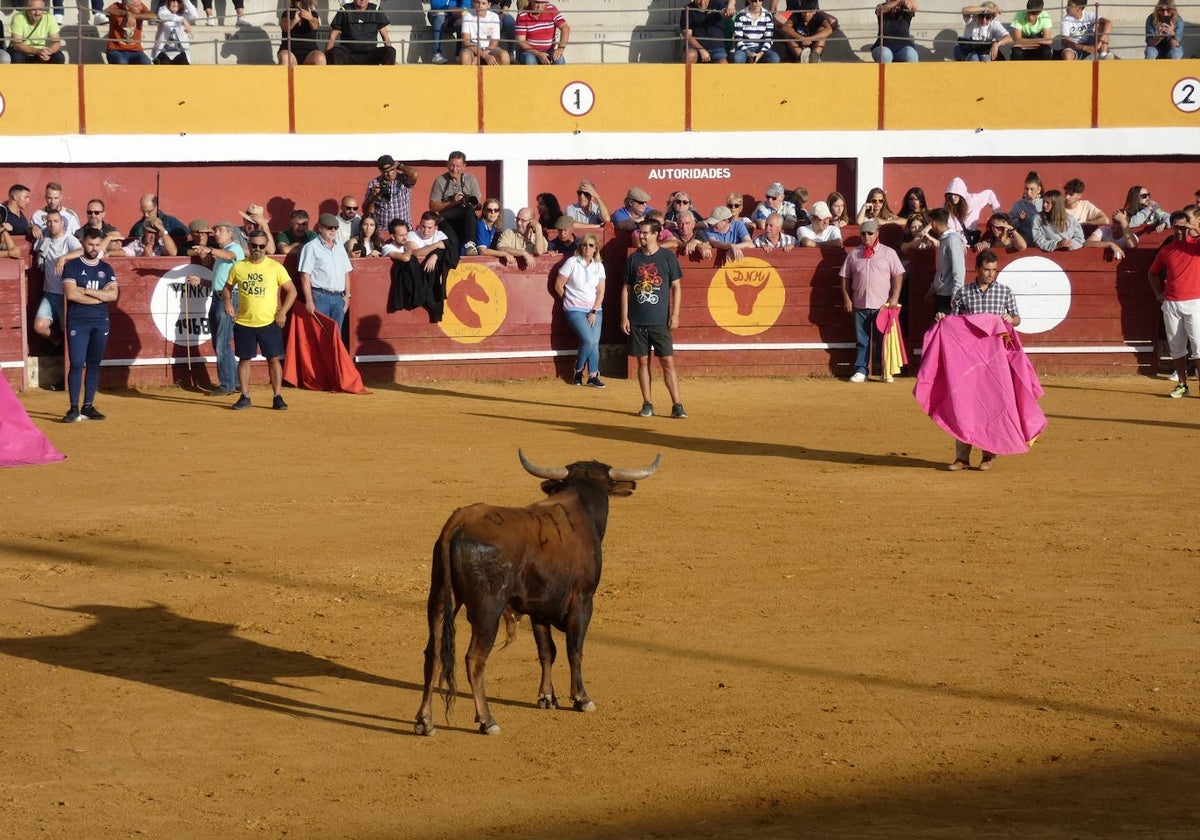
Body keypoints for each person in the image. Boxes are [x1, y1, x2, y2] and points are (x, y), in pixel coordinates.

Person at [935, 249, 1022, 470]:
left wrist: (1010, 319)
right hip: (969, 361)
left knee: (992, 405)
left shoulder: (1005, 292)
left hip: (995, 361)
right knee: (964, 405)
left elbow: (1017, 319)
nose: (991, 274)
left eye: (994, 270)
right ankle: (962, 457)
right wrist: (943, 319)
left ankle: (988, 456)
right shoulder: (964, 293)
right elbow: (954, 324)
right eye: (987, 270)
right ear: (978, 269)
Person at [224, 229, 299, 411]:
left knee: (273, 359)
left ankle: (277, 396)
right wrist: (227, 302)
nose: (257, 249)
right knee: (244, 360)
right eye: (254, 245)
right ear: (248, 245)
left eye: (261, 246)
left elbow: (292, 291)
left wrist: (283, 312)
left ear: (266, 247)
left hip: (269, 321)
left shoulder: (275, 267)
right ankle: (245, 396)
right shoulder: (239, 267)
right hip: (244, 321)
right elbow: (227, 288)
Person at [622, 218, 686, 419]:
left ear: (656, 234)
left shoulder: (667, 257)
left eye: (645, 233)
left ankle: (677, 404)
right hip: (638, 320)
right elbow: (626, 289)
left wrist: (675, 314)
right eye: (640, 232)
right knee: (642, 362)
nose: (641, 235)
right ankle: (647, 402)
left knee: (667, 361)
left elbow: (676, 286)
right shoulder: (634, 259)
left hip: (660, 320)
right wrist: (624, 317)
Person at [60, 229, 120, 423]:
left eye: (96, 245)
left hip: (100, 321)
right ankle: (73, 408)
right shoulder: (72, 266)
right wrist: (99, 297)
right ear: (83, 244)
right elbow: (71, 294)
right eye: (90, 245)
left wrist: (86, 290)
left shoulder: (107, 268)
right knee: (77, 363)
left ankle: (88, 405)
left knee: (94, 363)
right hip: (78, 320)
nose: (93, 249)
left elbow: (113, 295)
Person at [839, 219, 904, 383]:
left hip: (882, 306)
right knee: (862, 340)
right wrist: (847, 298)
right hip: (860, 303)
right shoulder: (854, 254)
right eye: (863, 233)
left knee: (883, 341)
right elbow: (844, 278)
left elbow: (898, 275)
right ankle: (861, 369)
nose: (866, 236)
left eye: (870, 233)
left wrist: (895, 297)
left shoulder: (888, 253)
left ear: (877, 234)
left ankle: (885, 371)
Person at [1147, 212, 1200, 397]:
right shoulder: (1166, 250)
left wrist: (1194, 228)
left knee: (1198, 346)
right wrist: (1157, 293)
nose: (1179, 230)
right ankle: (1182, 384)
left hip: (1195, 302)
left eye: (1182, 226)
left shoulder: (1196, 245)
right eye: (1176, 226)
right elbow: (1152, 273)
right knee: (1176, 347)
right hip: (1171, 303)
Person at [189, 221, 244, 396]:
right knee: (221, 343)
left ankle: (228, 384)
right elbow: (219, 282)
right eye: (216, 231)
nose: (217, 233)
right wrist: (202, 282)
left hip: (229, 298)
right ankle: (233, 381)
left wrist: (210, 250)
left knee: (222, 343)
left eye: (221, 230)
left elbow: (230, 256)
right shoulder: (221, 254)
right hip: (218, 296)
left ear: (231, 234)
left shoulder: (235, 248)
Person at [555, 233, 606, 387]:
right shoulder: (572, 262)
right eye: (584, 244)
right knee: (588, 340)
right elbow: (558, 285)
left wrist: (594, 311)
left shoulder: (599, 266)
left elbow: (601, 292)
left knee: (594, 343)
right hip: (574, 309)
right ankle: (578, 370)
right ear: (580, 246)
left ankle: (592, 375)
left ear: (596, 248)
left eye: (591, 245)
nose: (587, 248)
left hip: (594, 309)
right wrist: (569, 301)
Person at [32, 210, 81, 346]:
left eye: (55, 221)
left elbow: (82, 251)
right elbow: (31, 229)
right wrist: (33, 227)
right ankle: (56, 341)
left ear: (62, 223)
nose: (52, 224)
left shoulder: (69, 239)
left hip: (65, 295)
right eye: (49, 222)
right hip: (49, 293)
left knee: (67, 330)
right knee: (39, 326)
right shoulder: (45, 237)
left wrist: (63, 257)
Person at [298, 213, 354, 331]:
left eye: (335, 228)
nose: (333, 230)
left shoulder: (339, 247)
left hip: (339, 297)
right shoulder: (311, 247)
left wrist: (347, 296)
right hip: (320, 296)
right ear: (320, 228)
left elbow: (346, 273)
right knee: (319, 333)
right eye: (329, 227)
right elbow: (305, 275)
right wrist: (309, 301)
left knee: (335, 334)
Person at [429, 150, 483, 253]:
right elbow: (433, 206)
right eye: (452, 165)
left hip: (466, 220)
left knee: (468, 210)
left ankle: (470, 245)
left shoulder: (470, 179)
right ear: (447, 165)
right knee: (453, 244)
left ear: (464, 166)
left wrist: (470, 202)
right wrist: (453, 202)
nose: (454, 169)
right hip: (446, 219)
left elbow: (479, 205)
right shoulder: (440, 181)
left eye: (458, 166)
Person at [325, 0, 396, 65]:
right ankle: (338, 78)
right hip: (349, 54)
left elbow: (385, 36)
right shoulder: (345, 9)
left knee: (390, 51)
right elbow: (333, 35)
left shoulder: (376, 9)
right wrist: (327, 56)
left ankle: (385, 78)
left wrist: (391, 57)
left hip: (370, 54)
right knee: (335, 52)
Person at [925, 207, 966, 314]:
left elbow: (959, 270)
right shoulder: (946, 240)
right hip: (943, 293)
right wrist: (932, 289)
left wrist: (955, 295)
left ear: (933, 223)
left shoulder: (952, 240)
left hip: (948, 296)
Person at [365, 155, 419, 234]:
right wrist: (373, 197)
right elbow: (367, 211)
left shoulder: (404, 179)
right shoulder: (374, 183)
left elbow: (415, 174)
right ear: (380, 171)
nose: (390, 174)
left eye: (392, 170)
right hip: (384, 230)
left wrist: (400, 166)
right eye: (386, 172)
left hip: (404, 230)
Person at [8, 0, 65, 64]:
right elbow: (17, 44)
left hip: (41, 52)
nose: (37, 13)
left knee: (59, 57)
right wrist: (37, 51)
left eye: (40, 10)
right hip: (24, 51)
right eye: (34, 10)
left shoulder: (49, 17)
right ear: (28, 9)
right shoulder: (18, 17)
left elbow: (57, 42)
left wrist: (49, 51)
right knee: (17, 57)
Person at [515, 0, 569, 65]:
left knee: (560, 60)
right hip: (529, 51)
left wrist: (560, 48)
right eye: (537, 2)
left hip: (549, 51)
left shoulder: (551, 9)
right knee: (529, 60)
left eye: (542, 3)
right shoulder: (523, 14)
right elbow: (521, 41)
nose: (539, 6)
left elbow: (565, 28)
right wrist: (538, 54)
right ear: (531, 1)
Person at [103, 0, 156, 65]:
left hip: (136, 51)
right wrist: (127, 14)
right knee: (122, 62)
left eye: (140, 5)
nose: (140, 7)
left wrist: (133, 16)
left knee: (146, 62)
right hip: (116, 50)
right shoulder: (116, 6)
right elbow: (107, 10)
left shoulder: (140, 6)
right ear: (127, 7)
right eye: (137, 6)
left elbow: (153, 16)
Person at [460, 0, 509, 64]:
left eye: (483, 3)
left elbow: (494, 42)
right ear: (473, 3)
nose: (480, 6)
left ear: (489, 5)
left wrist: (481, 56)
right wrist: (484, 55)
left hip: (489, 48)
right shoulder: (467, 14)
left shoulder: (494, 17)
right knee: (465, 57)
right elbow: (466, 42)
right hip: (473, 48)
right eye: (478, 2)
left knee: (504, 56)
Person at [278, 0, 326, 65]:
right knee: (285, 57)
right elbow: (284, 27)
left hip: (309, 53)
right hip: (290, 51)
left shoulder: (313, 13)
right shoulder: (287, 12)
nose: (301, 2)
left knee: (320, 57)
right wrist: (294, 21)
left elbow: (315, 26)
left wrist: (310, 18)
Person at [151, 0, 198, 64]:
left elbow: (195, 15)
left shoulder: (183, 14)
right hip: (163, 52)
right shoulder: (163, 10)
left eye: (178, 1)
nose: (175, 2)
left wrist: (185, 1)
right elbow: (162, 16)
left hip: (180, 53)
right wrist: (182, 19)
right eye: (172, 0)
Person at [1009, 170, 1043, 241]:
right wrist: (1019, 219)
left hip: (1041, 242)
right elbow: (1009, 224)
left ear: (1039, 189)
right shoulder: (1018, 205)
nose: (1028, 192)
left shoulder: (1045, 203)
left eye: (1032, 189)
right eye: (1026, 189)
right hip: (1024, 242)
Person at [428, 0, 465, 64]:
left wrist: (451, 16)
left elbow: (466, 7)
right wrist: (449, 8)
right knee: (440, 15)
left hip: (454, 17)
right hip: (437, 15)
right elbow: (435, 5)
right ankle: (436, 54)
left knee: (462, 20)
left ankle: (459, 55)